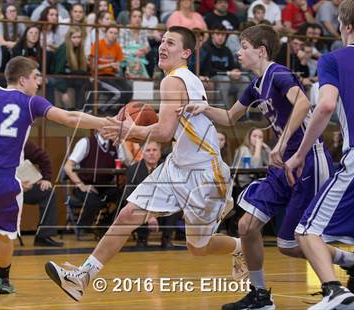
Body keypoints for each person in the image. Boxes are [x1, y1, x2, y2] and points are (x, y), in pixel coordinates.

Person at [45, 26, 243, 302]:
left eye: (171, 43)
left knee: (198, 248)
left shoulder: (174, 80)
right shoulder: (185, 78)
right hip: (178, 164)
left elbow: (162, 133)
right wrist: (131, 129)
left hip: (204, 172)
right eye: (162, 41)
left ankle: (239, 247)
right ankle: (82, 276)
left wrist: (127, 129)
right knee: (128, 215)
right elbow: (167, 132)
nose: (162, 46)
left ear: (186, 52)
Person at [182, 24, 338, 309]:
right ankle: (260, 295)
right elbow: (230, 117)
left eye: (243, 47)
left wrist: (281, 142)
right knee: (246, 225)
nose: (238, 52)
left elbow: (303, 104)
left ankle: (352, 261)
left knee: (290, 245)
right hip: (282, 165)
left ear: (261, 50)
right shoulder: (255, 85)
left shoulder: (278, 73)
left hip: (308, 160)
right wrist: (203, 107)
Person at [0, 56, 112, 294]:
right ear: (23, 80)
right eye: (35, 77)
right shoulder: (32, 103)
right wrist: (105, 122)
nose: (39, 82)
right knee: (4, 236)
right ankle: (2, 279)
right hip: (4, 183)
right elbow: (70, 117)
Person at [285, 0, 354, 308]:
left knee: (306, 232)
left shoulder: (333, 59)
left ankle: (335, 292)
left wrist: (300, 153)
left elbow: (326, 105)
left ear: (347, 27)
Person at [63, 132, 121, 238]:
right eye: (106, 126)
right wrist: (81, 185)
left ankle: (103, 225)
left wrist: (123, 143)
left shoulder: (116, 144)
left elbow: (130, 162)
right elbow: (68, 167)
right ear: (98, 127)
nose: (109, 130)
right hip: (85, 185)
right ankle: (83, 228)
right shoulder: (86, 142)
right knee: (94, 201)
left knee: (125, 198)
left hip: (106, 186)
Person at [124, 141, 178, 248]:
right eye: (148, 150)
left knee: (175, 206)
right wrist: (149, 216)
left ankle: (166, 238)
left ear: (159, 152)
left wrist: (157, 211)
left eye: (154, 150)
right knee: (133, 209)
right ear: (143, 153)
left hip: (161, 205)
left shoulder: (168, 169)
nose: (151, 153)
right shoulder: (132, 170)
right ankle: (142, 238)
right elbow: (130, 196)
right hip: (141, 204)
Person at [22, 140, 63, 247]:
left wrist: (46, 178)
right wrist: (16, 184)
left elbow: (42, 157)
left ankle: (43, 236)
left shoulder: (21, 141)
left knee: (48, 193)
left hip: (23, 187)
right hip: (1, 186)